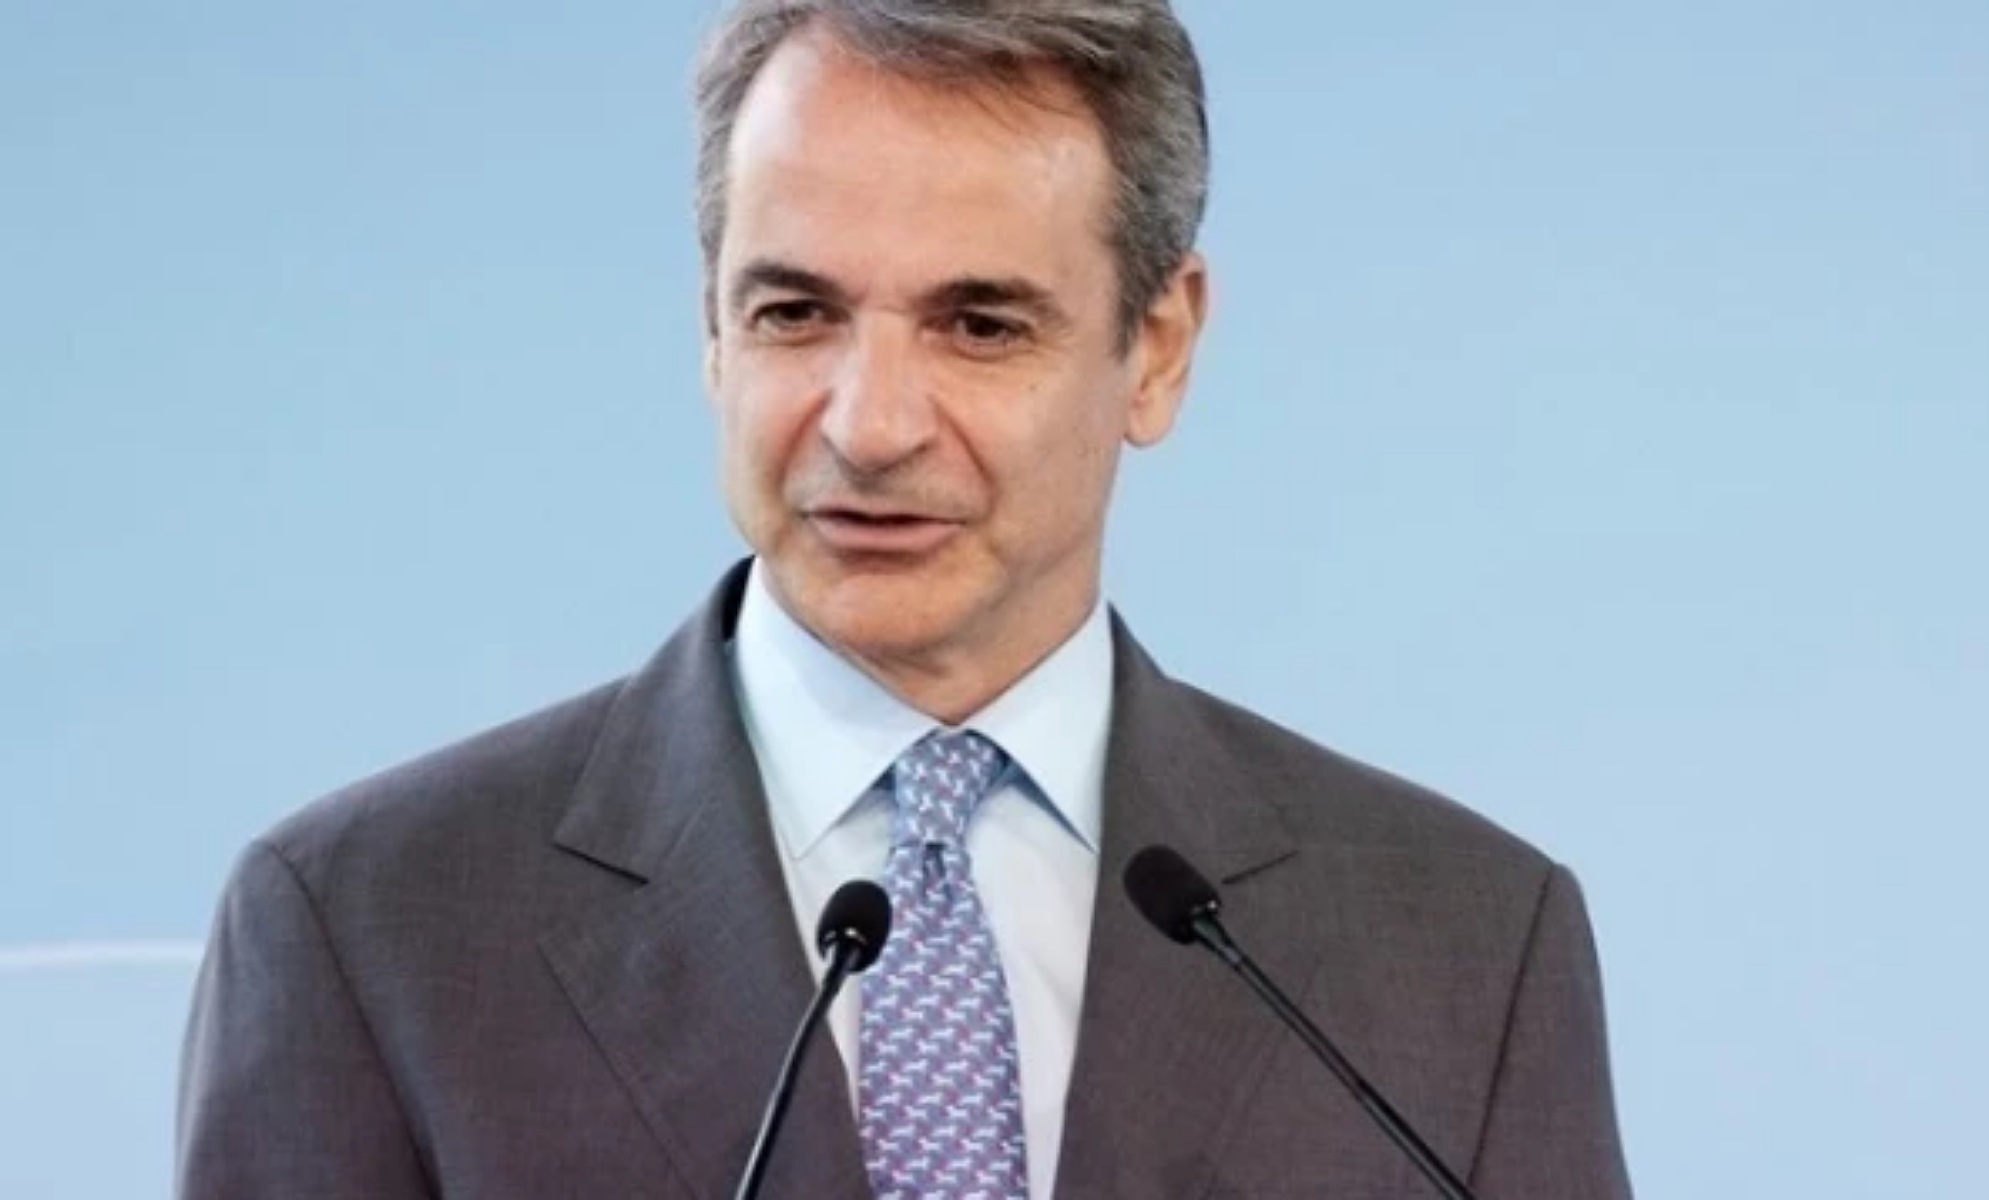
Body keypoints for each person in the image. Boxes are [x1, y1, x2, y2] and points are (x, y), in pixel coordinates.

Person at [176, 2, 1633, 1197]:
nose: (869, 425)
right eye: (795, 313)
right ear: (711, 329)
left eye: (979, 324)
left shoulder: (1463, 946)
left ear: (1158, 347)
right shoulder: (368, 930)